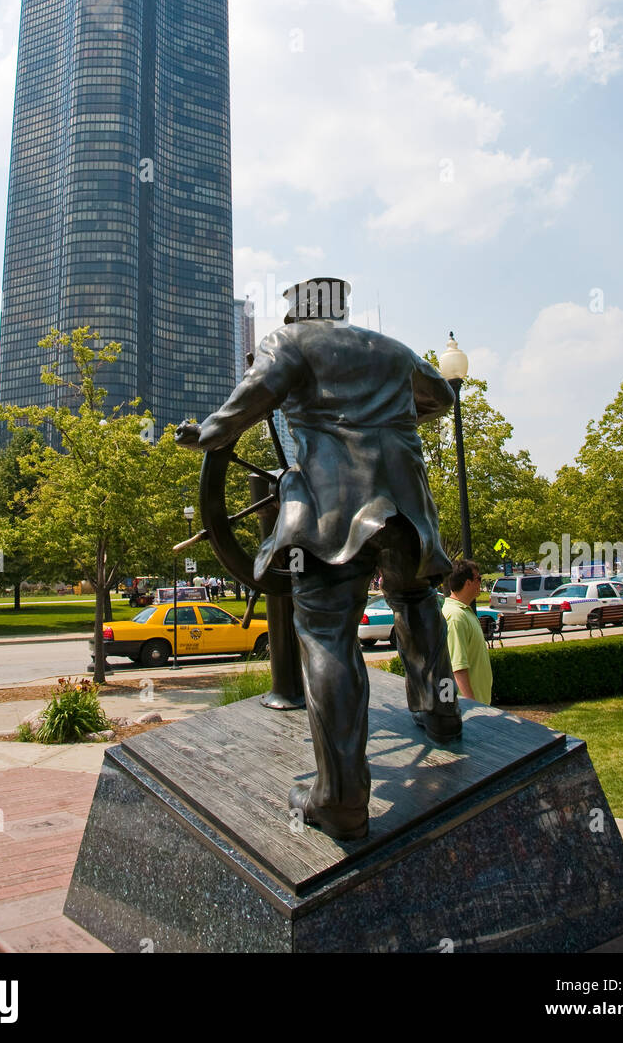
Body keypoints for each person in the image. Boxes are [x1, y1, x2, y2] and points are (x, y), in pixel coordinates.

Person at [176, 276, 463, 840]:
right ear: (342, 308)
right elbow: (443, 399)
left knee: (329, 634)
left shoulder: (291, 345)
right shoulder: (392, 350)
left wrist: (204, 433)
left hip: (334, 511)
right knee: (415, 597)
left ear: (297, 313)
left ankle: (340, 798)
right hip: (407, 503)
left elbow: (243, 406)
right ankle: (440, 712)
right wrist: (387, 418)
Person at [442, 560, 493, 704]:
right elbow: (458, 668)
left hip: (478, 706)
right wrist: (472, 705)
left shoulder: (463, 612)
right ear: (468, 583)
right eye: (479, 579)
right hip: (469, 711)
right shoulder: (455, 617)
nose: (480, 583)